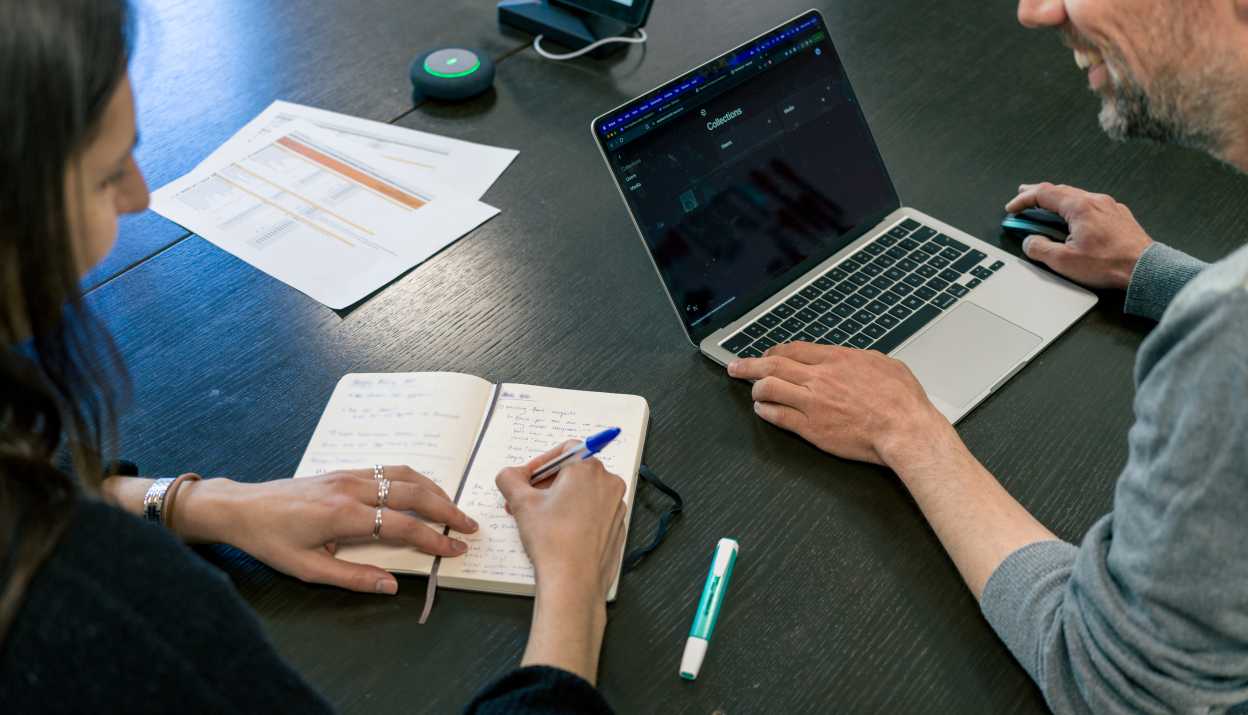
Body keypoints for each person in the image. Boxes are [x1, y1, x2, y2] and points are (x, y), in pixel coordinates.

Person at [0, 1, 623, 712]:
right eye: (109, 172)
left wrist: (192, 501)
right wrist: (574, 589)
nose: (141, 195)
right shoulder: (94, 607)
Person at [730, 0, 1248, 713]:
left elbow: (1105, 682)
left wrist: (907, 429)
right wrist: (1152, 271)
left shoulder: (1226, 345)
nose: (1036, 10)